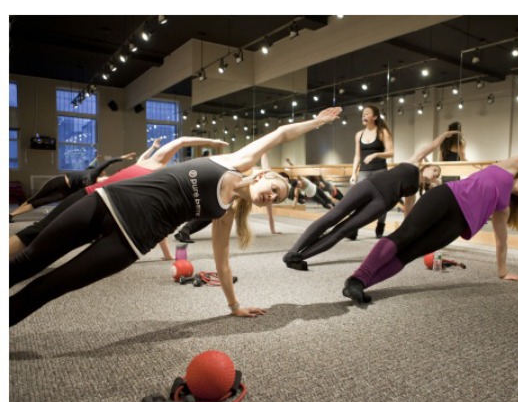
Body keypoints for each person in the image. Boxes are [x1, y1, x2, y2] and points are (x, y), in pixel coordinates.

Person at [9, 107, 343, 327]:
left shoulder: (223, 213)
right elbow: (283, 133)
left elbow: (223, 263)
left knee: (50, 287)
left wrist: (234, 306)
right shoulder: (237, 160)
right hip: (108, 202)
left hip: (130, 242)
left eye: (277, 198)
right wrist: (318, 122)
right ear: (261, 176)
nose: (272, 196)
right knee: (29, 259)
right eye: (273, 188)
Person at [341, 144, 518, 303]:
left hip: (457, 224)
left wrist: (502, 272)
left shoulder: (503, 205)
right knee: (405, 235)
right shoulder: (505, 168)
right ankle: (356, 277)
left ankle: (360, 285)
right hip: (447, 197)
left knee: (410, 253)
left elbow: (502, 241)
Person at [9, 137, 227, 260]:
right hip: (87, 197)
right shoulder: (152, 167)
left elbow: (160, 225)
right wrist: (212, 142)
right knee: (38, 233)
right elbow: (181, 141)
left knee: (47, 240)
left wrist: (169, 255)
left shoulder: (149, 169)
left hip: (101, 206)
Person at [282, 131, 456, 271]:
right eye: (435, 170)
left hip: (381, 204)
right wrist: (444, 135)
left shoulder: (414, 189)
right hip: (370, 185)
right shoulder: (413, 163)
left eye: (437, 175)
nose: (435, 174)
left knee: (344, 230)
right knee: (334, 215)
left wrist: (406, 233)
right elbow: (430, 146)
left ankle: (298, 257)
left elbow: (408, 210)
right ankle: (292, 251)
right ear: (427, 166)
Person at [9, 152, 137, 222]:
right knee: (34, 198)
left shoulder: (94, 185)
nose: (105, 178)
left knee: (40, 203)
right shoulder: (92, 172)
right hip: (59, 181)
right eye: (104, 177)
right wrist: (124, 157)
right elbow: (109, 161)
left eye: (106, 179)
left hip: (65, 191)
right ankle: (12, 215)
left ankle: (12, 216)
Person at [349, 105, 394, 239]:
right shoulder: (359, 135)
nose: (364, 115)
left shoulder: (382, 132)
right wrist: (353, 173)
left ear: (374, 117)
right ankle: (354, 228)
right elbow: (357, 156)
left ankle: (380, 224)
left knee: (382, 200)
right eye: (363, 114)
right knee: (358, 200)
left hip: (380, 171)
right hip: (364, 171)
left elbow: (391, 152)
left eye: (367, 113)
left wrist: (376, 155)